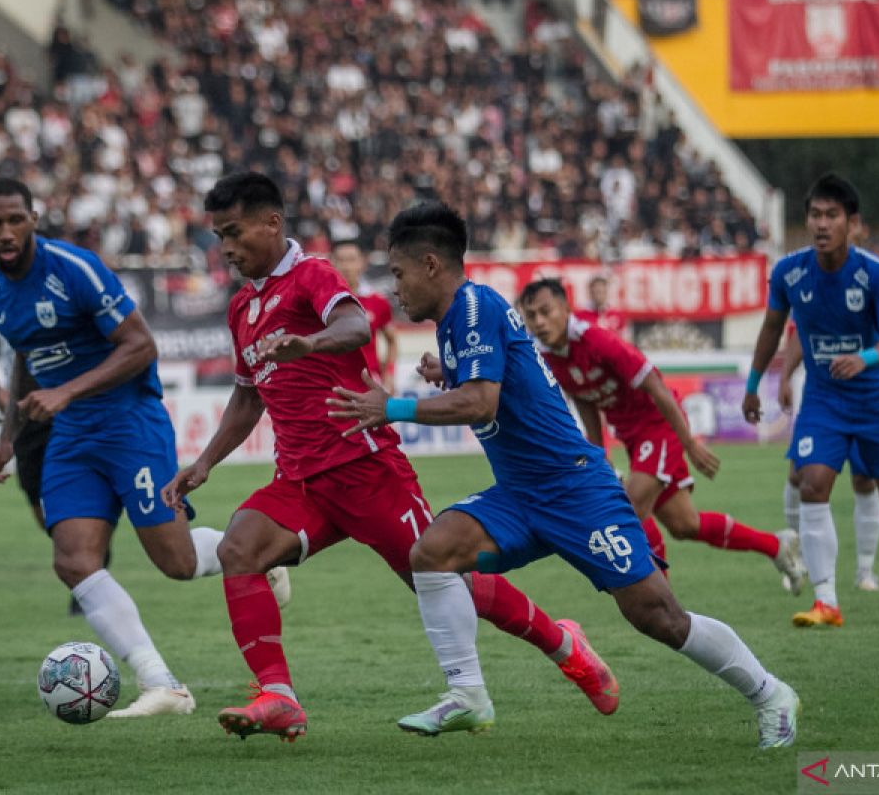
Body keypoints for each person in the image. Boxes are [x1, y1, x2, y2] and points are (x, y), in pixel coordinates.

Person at [163, 172, 619, 743]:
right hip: (301, 478)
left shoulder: (312, 275)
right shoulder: (241, 309)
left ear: (271, 223)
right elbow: (248, 394)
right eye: (219, 236)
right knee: (239, 548)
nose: (225, 248)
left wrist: (311, 342)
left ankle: (564, 643)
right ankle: (278, 695)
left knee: (443, 574)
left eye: (233, 233)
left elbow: (353, 325)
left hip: (365, 466)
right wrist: (204, 463)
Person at [328, 201, 799, 749]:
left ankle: (771, 694)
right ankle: (467, 696)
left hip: (576, 490)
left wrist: (394, 408)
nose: (396, 288)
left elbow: (481, 404)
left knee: (660, 617)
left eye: (400, 273)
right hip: (522, 494)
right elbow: (493, 387)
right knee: (431, 553)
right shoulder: (459, 321)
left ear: (431, 264)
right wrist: (448, 371)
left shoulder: (474, 308)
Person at [0, 177, 278, 719]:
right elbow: (25, 358)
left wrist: (66, 391)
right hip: (72, 438)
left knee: (177, 562)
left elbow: (141, 346)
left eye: (14, 219)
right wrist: (6, 439)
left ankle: (255, 552)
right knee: (72, 559)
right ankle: (162, 683)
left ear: (33, 219)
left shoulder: (74, 270)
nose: (5, 231)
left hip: (129, 424)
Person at [743, 173, 879, 627]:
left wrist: (865, 357)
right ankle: (826, 601)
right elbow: (775, 330)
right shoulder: (789, 272)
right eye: (815, 214)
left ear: (851, 223)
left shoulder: (877, 273)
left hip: (876, 402)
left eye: (831, 215)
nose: (821, 223)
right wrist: (756, 383)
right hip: (825, 401)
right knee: (811, 482)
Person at [516, 279, 805, 592]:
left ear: (566, 308)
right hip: (632, 435)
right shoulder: (548, 355)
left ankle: (660, 600)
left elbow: (656, 386)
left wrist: (690, 443)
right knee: (684, 525)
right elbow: (586, 401)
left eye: (546, 311)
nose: (540, 322)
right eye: (531, 316)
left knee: (629, 506)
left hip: (657, 421)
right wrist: (600, 457)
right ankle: (776, 546)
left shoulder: (597, 339)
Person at [0, 316, 116, 616]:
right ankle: (88, 554)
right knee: (39, 503)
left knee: (85, 493)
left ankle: (88, 568)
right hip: (27, 416)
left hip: (70, 408)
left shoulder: (67, 306)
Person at [777, 320, 879, 593]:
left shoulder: (872, 280)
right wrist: (784, 377)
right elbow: (797, 332)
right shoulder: (805, 285)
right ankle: (797, 559)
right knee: (799, 476)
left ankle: (865, 571)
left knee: (864, 480)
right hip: (823, 398)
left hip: (870, 399)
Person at [331, 240, 398, 393]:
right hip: (333, 381)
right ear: (332, 263)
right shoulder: (320, 301)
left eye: (351, 259)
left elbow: (392, 341)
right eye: (341, 260)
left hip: (369, 381)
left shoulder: (378, 301)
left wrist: (389, 374)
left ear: (362, 262)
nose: (346, 266)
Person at [574, 273, 628, 341]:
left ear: (606, 290)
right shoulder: (579, 316)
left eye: (602, 286)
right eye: (595, 287)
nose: (599, 289)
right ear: (590, 291)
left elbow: (625, 341)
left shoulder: (617, 315)